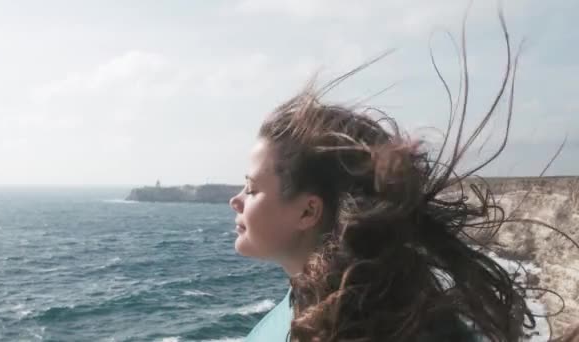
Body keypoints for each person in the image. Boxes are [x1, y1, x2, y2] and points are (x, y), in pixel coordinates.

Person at [228, 12, 568, 342]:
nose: (236, 200)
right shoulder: (332, 309)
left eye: (253, 188)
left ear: (308, 211)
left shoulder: (402, 328)